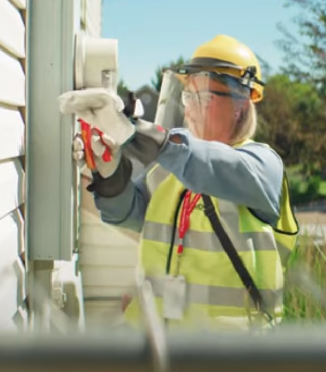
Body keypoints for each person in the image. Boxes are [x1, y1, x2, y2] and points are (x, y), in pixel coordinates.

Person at [71, 34, 299, 332]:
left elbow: (212, 167)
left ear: (240, 104)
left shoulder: (261, 166)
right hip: (156, 346)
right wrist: (110, 172)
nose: (190, 108)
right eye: (187, 96)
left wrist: (144, 135)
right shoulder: (169, 170)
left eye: (202, 97)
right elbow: (124, 213)